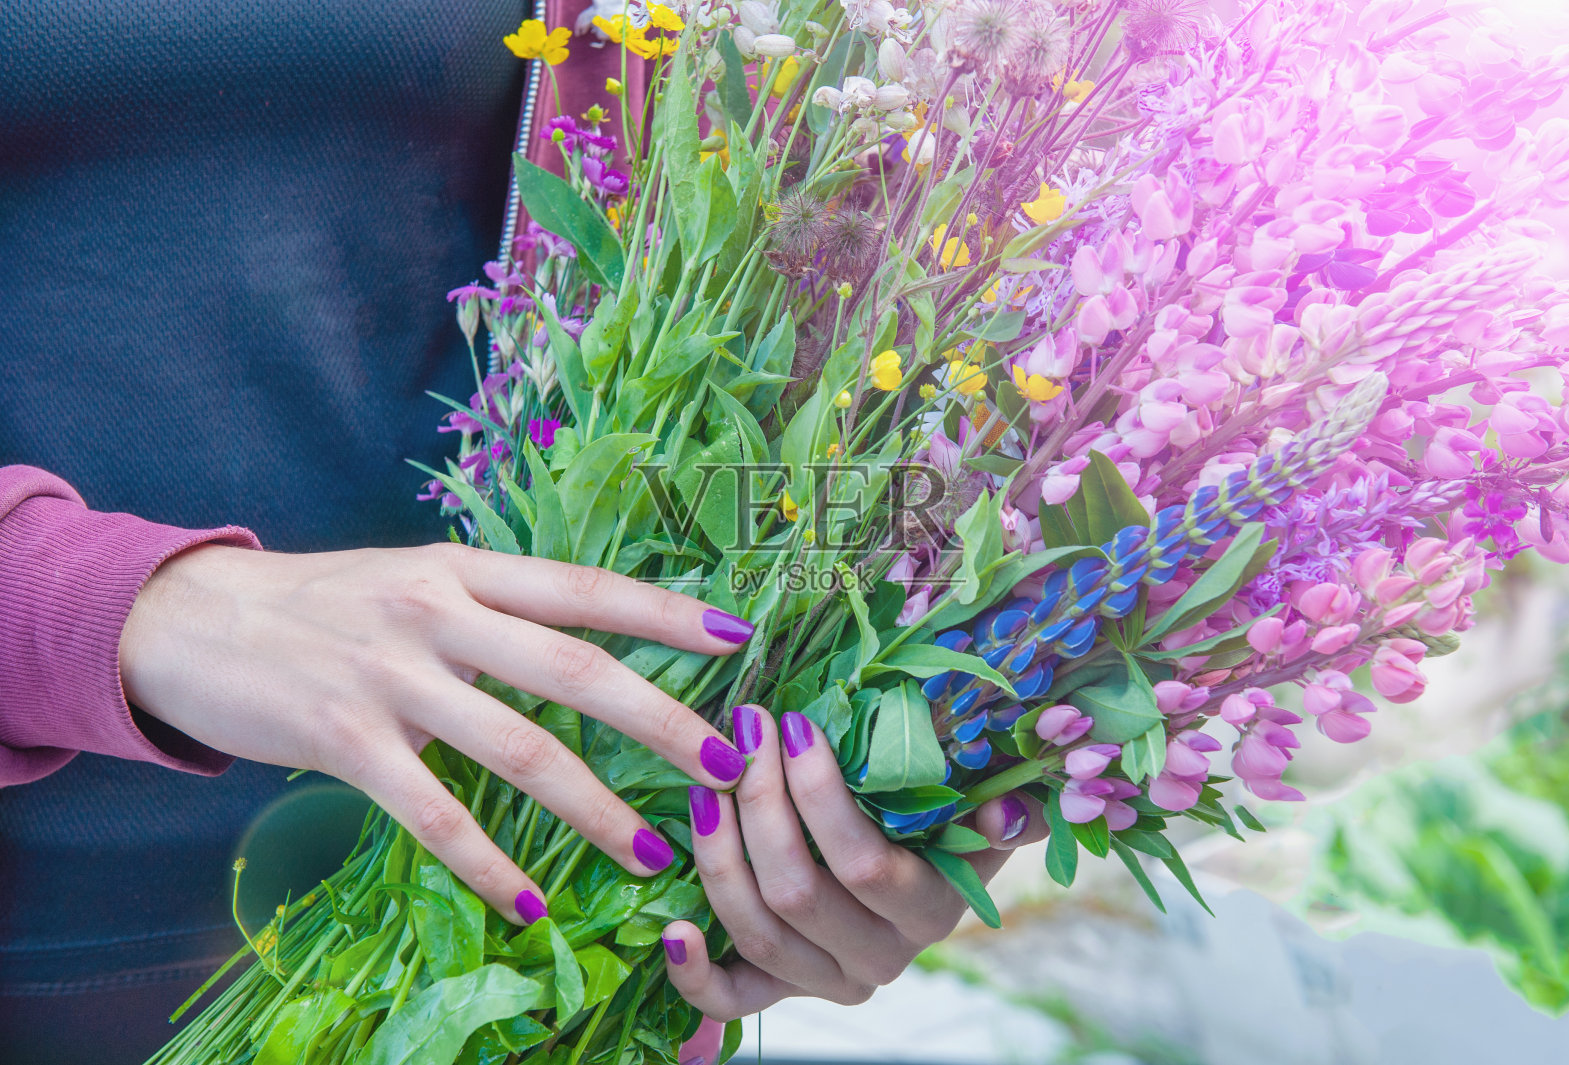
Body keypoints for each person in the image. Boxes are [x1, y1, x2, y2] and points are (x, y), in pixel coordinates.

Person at [0, 3, 1042, 1062]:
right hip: (52, 948)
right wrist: (124, 607)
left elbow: (829, 330)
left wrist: (903, 742)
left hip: (545, 959)